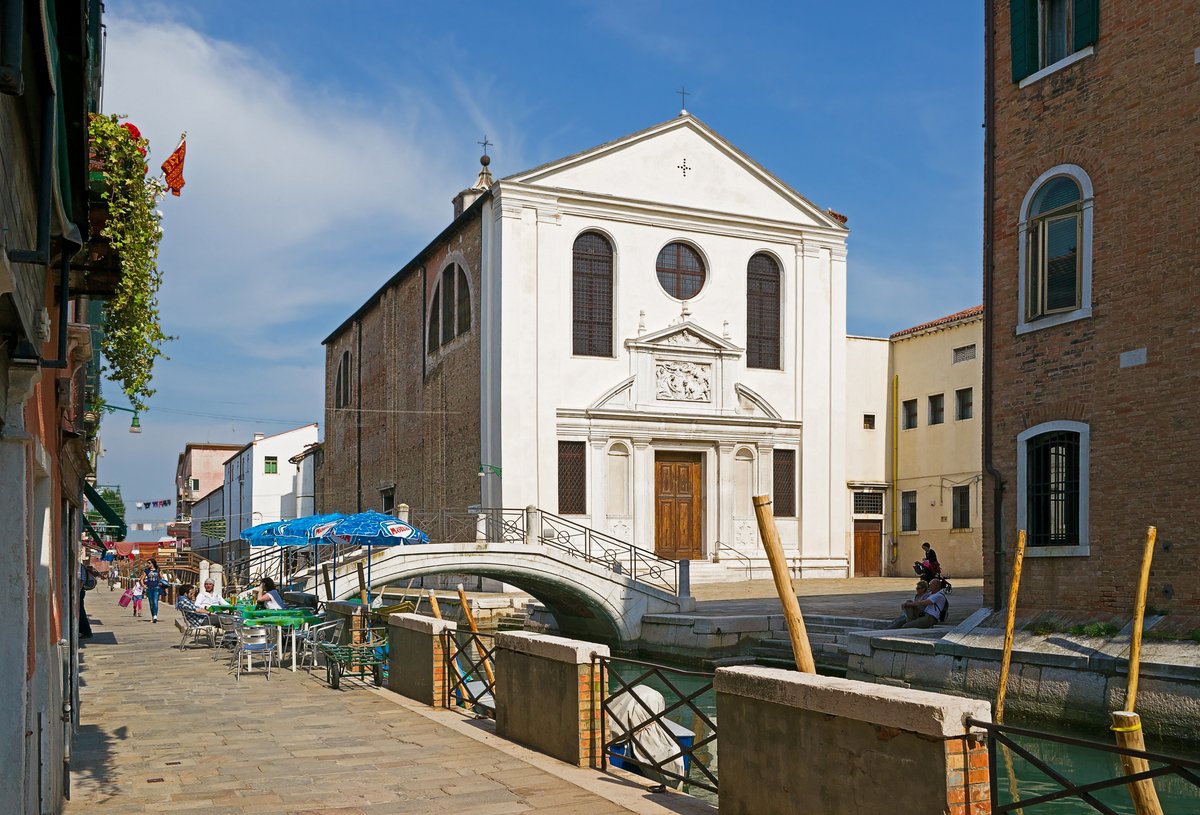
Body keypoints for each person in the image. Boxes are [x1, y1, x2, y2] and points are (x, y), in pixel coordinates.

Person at [78, 562, 98, 639]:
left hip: (80, 591)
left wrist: (78, 591)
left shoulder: (79, 567)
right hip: (80, 591)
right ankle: (84, 631)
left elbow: (82, 580)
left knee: (81, 612)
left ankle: (86, 632)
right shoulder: (81, 566)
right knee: (80, 611)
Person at [143, 558, 162, 623]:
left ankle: (155, 616)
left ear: (153, 563)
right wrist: (144, 586)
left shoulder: (158, 570)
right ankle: (153, 616)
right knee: (151, 604)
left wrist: (161, 583)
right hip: (149, 588)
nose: (148, 564)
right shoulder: (146, 571)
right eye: (147, 563)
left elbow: (162, 578)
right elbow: (141, 579)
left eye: (149, 563)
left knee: (155, 602)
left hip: (156, 588)